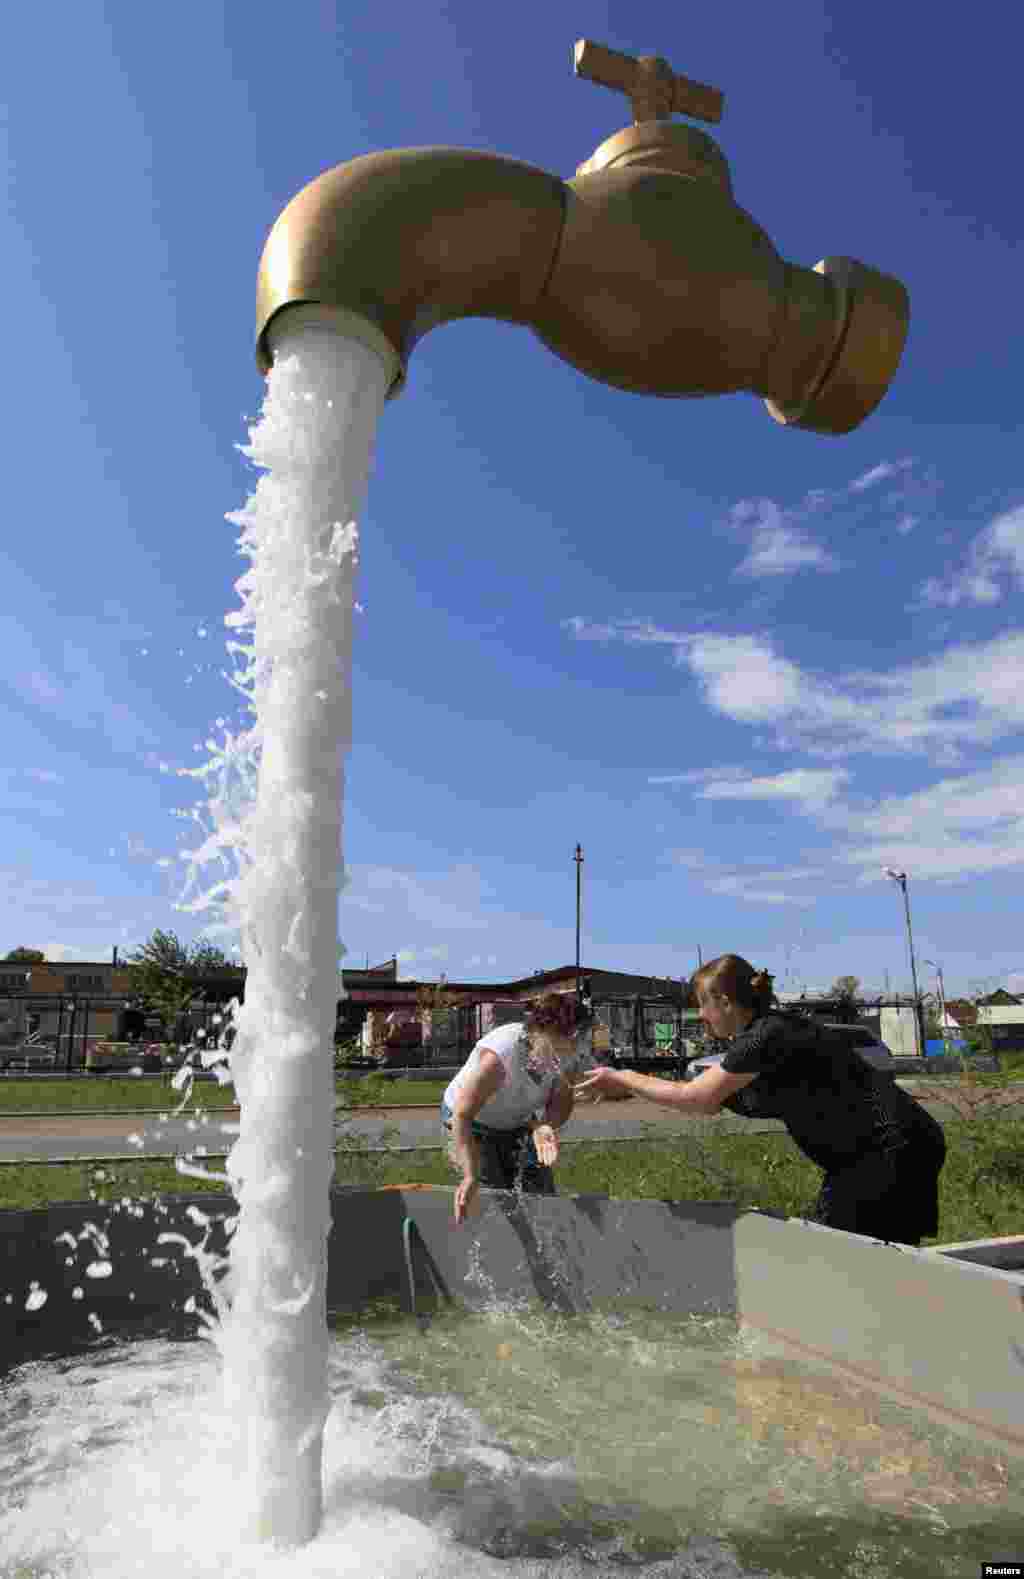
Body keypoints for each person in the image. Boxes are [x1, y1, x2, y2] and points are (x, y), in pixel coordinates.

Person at [574, 954, 947, 1248]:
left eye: (702, 1004)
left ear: (723, 1000)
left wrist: (622, 1076)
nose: (701, 1016)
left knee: (843, 1260)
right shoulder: (764, 1036)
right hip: (886, 1151)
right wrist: (631, 1086)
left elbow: (695, 1099)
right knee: (871, 1262)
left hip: (887, 1151)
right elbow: (709, 1099)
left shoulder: (767, 1036)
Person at [441, 992, 588, 1225]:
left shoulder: (567, 1054)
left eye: (578, 1038)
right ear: (543, 1030)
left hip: (518, 1119)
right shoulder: (503, 1052)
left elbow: (562, 1101)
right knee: (493, 1196)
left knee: (540, 1195)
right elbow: (463, 1113)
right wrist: (469, 1174)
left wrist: (546, 1126)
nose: (575, 1046)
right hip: (472, 1120)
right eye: (571, 1037)